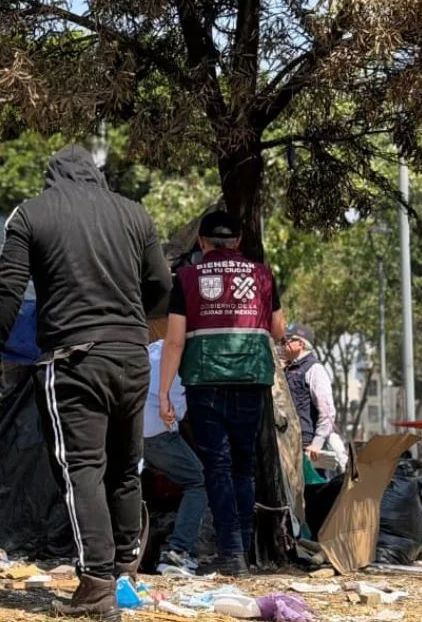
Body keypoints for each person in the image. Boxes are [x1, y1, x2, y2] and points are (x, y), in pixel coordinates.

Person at [0, 145, 171, 620]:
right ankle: (126, 570)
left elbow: (7, 287)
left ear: (52, 177)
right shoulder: (134, 213)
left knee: (81, 468)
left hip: (73, 361)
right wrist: (132, 322)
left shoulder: (32, 214)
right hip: (131, 356)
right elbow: (163, 284)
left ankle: (96, 586)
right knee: (126, 467)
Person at [159, 211, 285, 578]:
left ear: (202, 242)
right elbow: (278, 329)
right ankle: (241, 550)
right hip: (251, 379)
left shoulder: (186, 278)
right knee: (244, 467)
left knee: (218, 467)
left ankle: (232, 553)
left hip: (205, 381)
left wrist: (164, 391)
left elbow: (175, 341)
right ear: (239, 241)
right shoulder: (262, 275)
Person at [144, 330, 206, 575]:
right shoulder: (187, 359)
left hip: (131, 426)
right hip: (157, 430)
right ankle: (177, 553)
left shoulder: (154, 348)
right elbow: (176, 413)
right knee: (198, 482)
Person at [281, 324, 343, 469]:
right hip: (290, 442)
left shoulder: (314, 369)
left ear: (300, 344)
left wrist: (316, 444)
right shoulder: (288, 369)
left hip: (307, 447)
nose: (284, 344)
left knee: (311, 489)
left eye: (288, 340)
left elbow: (327, 412)